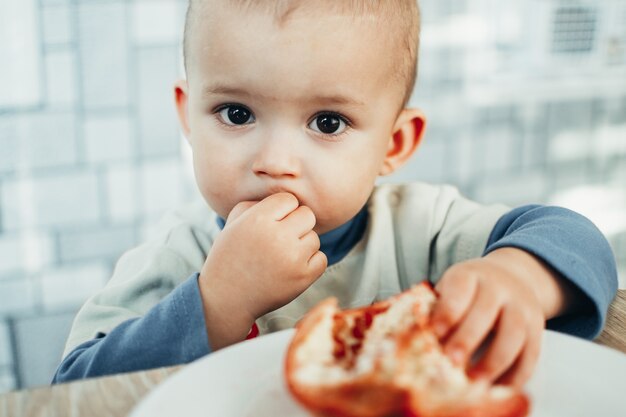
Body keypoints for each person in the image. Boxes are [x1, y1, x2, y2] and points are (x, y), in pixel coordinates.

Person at [53, 0, 617, 387]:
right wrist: (216, 304)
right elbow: (73, 392)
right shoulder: (180, 255)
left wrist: (517, 277)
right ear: (187, 116)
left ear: (394, 143)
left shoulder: (423, 228)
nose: (274, 162)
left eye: (327, 123)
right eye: (237, 112)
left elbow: (573, 239)